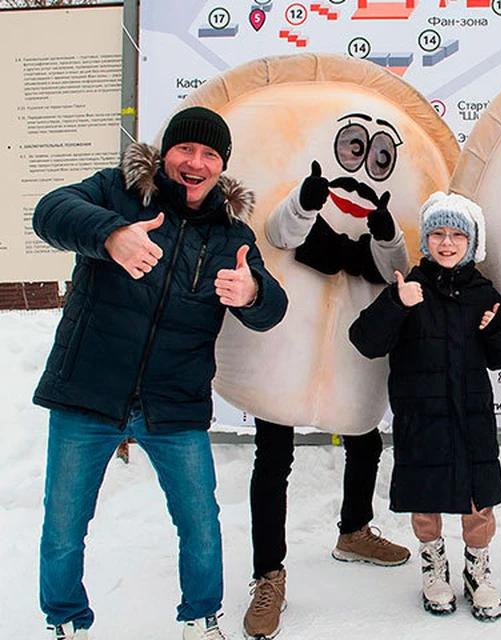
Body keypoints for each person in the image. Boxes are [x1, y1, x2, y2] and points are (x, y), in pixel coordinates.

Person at [32, 106, 288, 640]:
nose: (195, 163)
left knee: (199, 527)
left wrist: (253, 293)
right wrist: (110, 236)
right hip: (89, 393)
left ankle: (200, 618)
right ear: (166, 153)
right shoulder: (117, 194)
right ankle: (66, 622)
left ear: (222, 167)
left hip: (174, 403)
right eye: (185, 150)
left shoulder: (230, 234)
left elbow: (272, 308)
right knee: (63, 528)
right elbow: (50, 212)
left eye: (209, 155)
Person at [242, 161, 410, 640]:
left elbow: (395, 267)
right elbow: (279, 232)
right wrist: (305, 200)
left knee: (365, 441)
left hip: (354, 346)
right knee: (273, 456)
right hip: (290, 341)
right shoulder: (302, 210)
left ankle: (354, 531)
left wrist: (385, 231)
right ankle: (268, 574)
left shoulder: (378, 222)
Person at [349, 192, 501, 621]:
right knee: (425, 496)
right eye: (438, 234)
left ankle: (477, 571)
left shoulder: (484, 292)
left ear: (471, 242)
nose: (447, 243)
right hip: (420, 416)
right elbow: (365, 341)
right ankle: (434, 567)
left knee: (478, 498)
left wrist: (497, 326)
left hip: (472, 415)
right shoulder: (409, 286)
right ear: (426, 241)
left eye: (457, 235)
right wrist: (395, 303)